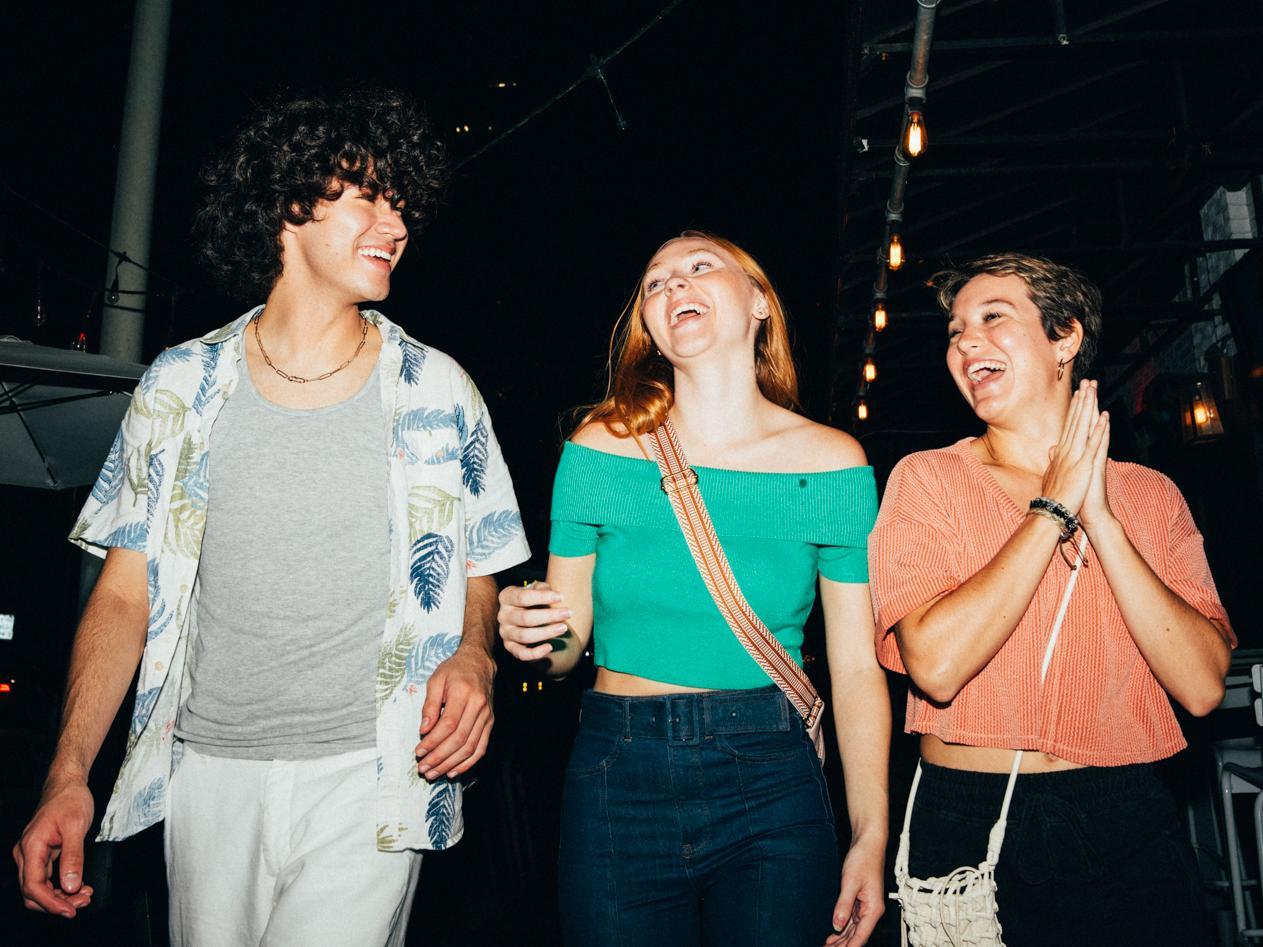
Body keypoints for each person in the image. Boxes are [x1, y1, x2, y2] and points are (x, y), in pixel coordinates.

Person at [13, 91, 530, 945]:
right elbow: (122, 596)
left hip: (372, 774)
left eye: (403, 203)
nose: (396, 223)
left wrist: (473, 655)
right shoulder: (179, 386)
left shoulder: (438, 388)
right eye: (368, 196)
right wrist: (67, 774)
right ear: (286, 208)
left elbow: (481, 563)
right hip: (204, 773)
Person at [498, 232, 889, 946]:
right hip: (620, 771)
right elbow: (564, 648)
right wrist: (532, 631)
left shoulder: (833, 462)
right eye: (654, 282)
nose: (673, 285)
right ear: (647, 327)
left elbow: (859, 668)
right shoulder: (597, 448)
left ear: (758, 302)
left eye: (699, 267)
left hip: (770, 769)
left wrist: (869, 835)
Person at [870, 253, 1234, 945]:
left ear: (1063, 338)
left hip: (1125, 811)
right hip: (969, 818)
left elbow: (1199, 686)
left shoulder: (1151, 496)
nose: (964, 341)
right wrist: (1049, 510)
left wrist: (1101, 518)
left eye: (991, 319)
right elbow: (936, 665)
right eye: (954, 330)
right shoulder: (927, 480)